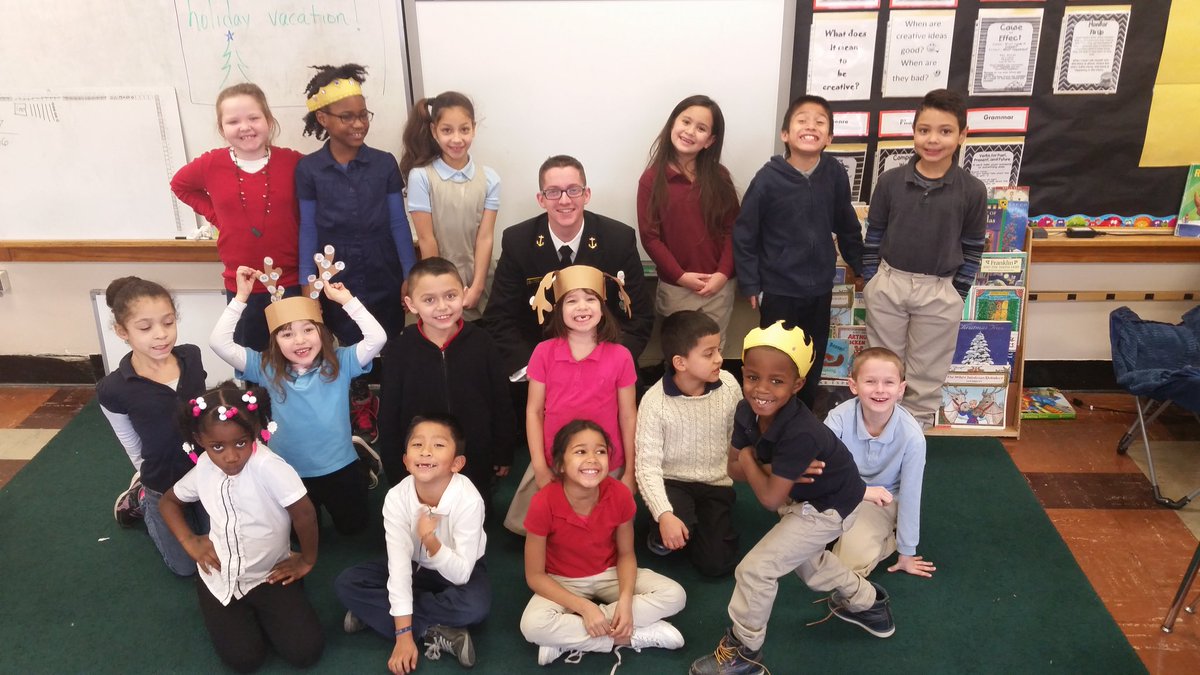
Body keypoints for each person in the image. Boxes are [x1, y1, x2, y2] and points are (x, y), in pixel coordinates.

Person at [689, 322, 895, 675]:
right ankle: (870, 603)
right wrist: (770, 469)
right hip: (801, 498)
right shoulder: (746, 410)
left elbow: (768, 498)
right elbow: (733, 470)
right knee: (810, 564)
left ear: (797, 384)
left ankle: (746, 654)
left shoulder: (801, 432)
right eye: (753, 377)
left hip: (830, 505)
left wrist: (752, 459)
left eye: (776, 381)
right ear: (743, 372)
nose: (761, 389)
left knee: (756, 570)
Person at [159, 381, 323, 673]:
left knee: (305, 652)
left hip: (270, 574)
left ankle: (283, 601)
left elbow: (305, 514)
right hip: (220, 576)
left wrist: (307, 559)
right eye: (217, 446)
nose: (231, 456)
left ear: (255, 432)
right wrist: (189, 541)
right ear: (199, 439)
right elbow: (169, 502)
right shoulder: (204, 467)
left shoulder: (269, 467)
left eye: (241, 443)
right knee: (245, 661)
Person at [210, 265, 385, 535]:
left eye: (308, 330)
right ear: (275, 341)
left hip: (340, 465)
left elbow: (378, 338)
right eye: (287, 334)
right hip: (288, 470)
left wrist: (347, 300)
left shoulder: (340, 362)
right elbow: (219, 343)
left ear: (321, 332)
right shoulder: (266, 367)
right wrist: (241, 297)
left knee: (355, 528)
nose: (300, 341)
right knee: (300, 535)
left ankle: (362, 464)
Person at [861, 88, 988, 428]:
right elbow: (874, 236)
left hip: (939, 290)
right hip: (890, 283)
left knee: (926, 373)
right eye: (924, 130)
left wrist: (956, 293)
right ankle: (878, 432)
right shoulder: (890, 182)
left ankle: (914, 437)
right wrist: (872, 280)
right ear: (914, 132)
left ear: (962, 135)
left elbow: (973, 246)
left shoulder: (973, 190)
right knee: (882, 368)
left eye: (945, 131)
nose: (933, 140)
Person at [733, 94, 864, 410]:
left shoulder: (834, 173)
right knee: (777, 356)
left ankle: (802, 412)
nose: (811, 126)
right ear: (785, 134)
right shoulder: (768, 178)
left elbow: (846, 224)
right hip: (778, 289)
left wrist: (861, 267)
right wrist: (749, 283)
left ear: (829, 137)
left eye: (820, 122)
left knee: (812, 353)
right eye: (802, 120)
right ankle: (772, 413)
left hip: (819, 288)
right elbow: (745, 233)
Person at [521, 420, 687, 668]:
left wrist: (626, 602)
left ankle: (569, 638)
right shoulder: (542, 502)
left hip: (610, 573)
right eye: (580, 451)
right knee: (532, 626)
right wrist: (585, 608)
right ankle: (630, 636)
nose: (592, 459)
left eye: (600, 451)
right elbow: (535, 576)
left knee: (675, 595)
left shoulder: (619, 494)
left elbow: (626, 554)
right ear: (560, 464)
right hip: (562, 579)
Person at [336, 414, 489, 674]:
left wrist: (431, 541)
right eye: (417, 444)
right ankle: (432, 630)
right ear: (406, 461)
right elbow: (399, 567)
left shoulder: (469, 500)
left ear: (457, 463)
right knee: (347, 583)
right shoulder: (396, 498)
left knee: (475, 607)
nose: (426, 451)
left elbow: (461, 574)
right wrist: (404, 636)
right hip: (413, 566)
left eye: (438, 445)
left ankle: (379, 613)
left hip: (456, 571)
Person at [483, 154, 653, 380]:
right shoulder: (518, 241)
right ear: (541, 199)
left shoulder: (618, 239)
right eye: (553, 192)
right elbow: (499, 317)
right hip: (538, 370)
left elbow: (639, 317)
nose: (564, 200)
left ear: (586, 194)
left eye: (573, 190)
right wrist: (534, 370)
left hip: (605, 368)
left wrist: (609, 366)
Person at [503, 265, 638, 535]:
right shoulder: (543, 352)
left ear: (603, 307)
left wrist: (630, 472)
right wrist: (540, 467)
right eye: (571, 300)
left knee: (603, 533)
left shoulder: (621, 356)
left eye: (590, 299)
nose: (582, 307)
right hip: (555, 460)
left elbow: (628, 415)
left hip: (605, 460)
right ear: (558, 309)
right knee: (548, 529)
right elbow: (534, 412)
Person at [170, 83, 304, 351]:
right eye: (233, 121)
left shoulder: (294, 163)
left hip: (289, 281)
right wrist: (216, 216)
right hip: (242, 286)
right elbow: (180, 185)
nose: (245, 127)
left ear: (268, 120)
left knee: (296, 355)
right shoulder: (211, 164)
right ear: (222, 129)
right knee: (249, 356)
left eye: (253, 118)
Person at [377, 257, 516, 508]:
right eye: (429, 300)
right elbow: (388, 414)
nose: (442, 307)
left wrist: (502, 450)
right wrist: (394, 464)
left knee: (474, 512)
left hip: (475, 454)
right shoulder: (400, 350)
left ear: (464, 294)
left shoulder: (482, 342)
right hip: (423, 459)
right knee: (425, 517)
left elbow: (501, 400)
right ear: (411, 303)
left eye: (450, 296)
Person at [96, 276, 209, 576]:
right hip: (162, 483)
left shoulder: (191, 356)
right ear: (122, 331)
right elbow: (130, 442)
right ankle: (140, 498)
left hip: (206, 472)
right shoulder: (113, 388)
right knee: (186, 567)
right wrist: (148, 477)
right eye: (145, 328)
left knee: (223, 547)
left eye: (168, 322)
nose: (161, 335)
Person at [635, 310, 743, 576]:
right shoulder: (654, 402)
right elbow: (647, 466)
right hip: (673, 482)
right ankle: (661, 530)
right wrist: (664, 514)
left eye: (719, 350)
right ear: (680, 363)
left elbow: (737, 439)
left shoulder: (729, 385)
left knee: (716, 564)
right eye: (709, 354)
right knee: (672, 536)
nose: (719, 359)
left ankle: (698, 531)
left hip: (715, 484)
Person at [637, 95, 740, 345]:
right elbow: (650, 238)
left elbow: (733, 230)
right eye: (686, 122)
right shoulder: (652, 180)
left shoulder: (720, 177)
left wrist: (722, 274)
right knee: (678, 353)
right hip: (676, 287)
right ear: (673, 123)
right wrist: (681, 276)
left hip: (718, 287)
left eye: (701, 128)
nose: (690, 131)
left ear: (710, 141)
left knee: (712, 351)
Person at [825, 347, 934, 578]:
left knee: (845, 564)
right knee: (796, 529)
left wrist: (906, 552)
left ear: (901, 389)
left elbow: (910, 494)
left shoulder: (912, 437)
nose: (880, 390)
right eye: (870, 381)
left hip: (880, 501)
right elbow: (823, 469)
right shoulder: (838, 418)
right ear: (853, 385)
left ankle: (885, 539)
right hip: (841, 491)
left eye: (889, 382)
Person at [400, 91, 500, 321]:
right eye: (447, 130)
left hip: (480, 278)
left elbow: (485, 237)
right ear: (434, 131)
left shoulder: (490, 178)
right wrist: (443, 291)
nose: (457, 139)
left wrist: (476, 287)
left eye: (464, 129)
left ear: (473, 128)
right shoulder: (421, 177)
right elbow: (427, 239)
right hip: (439, 283)